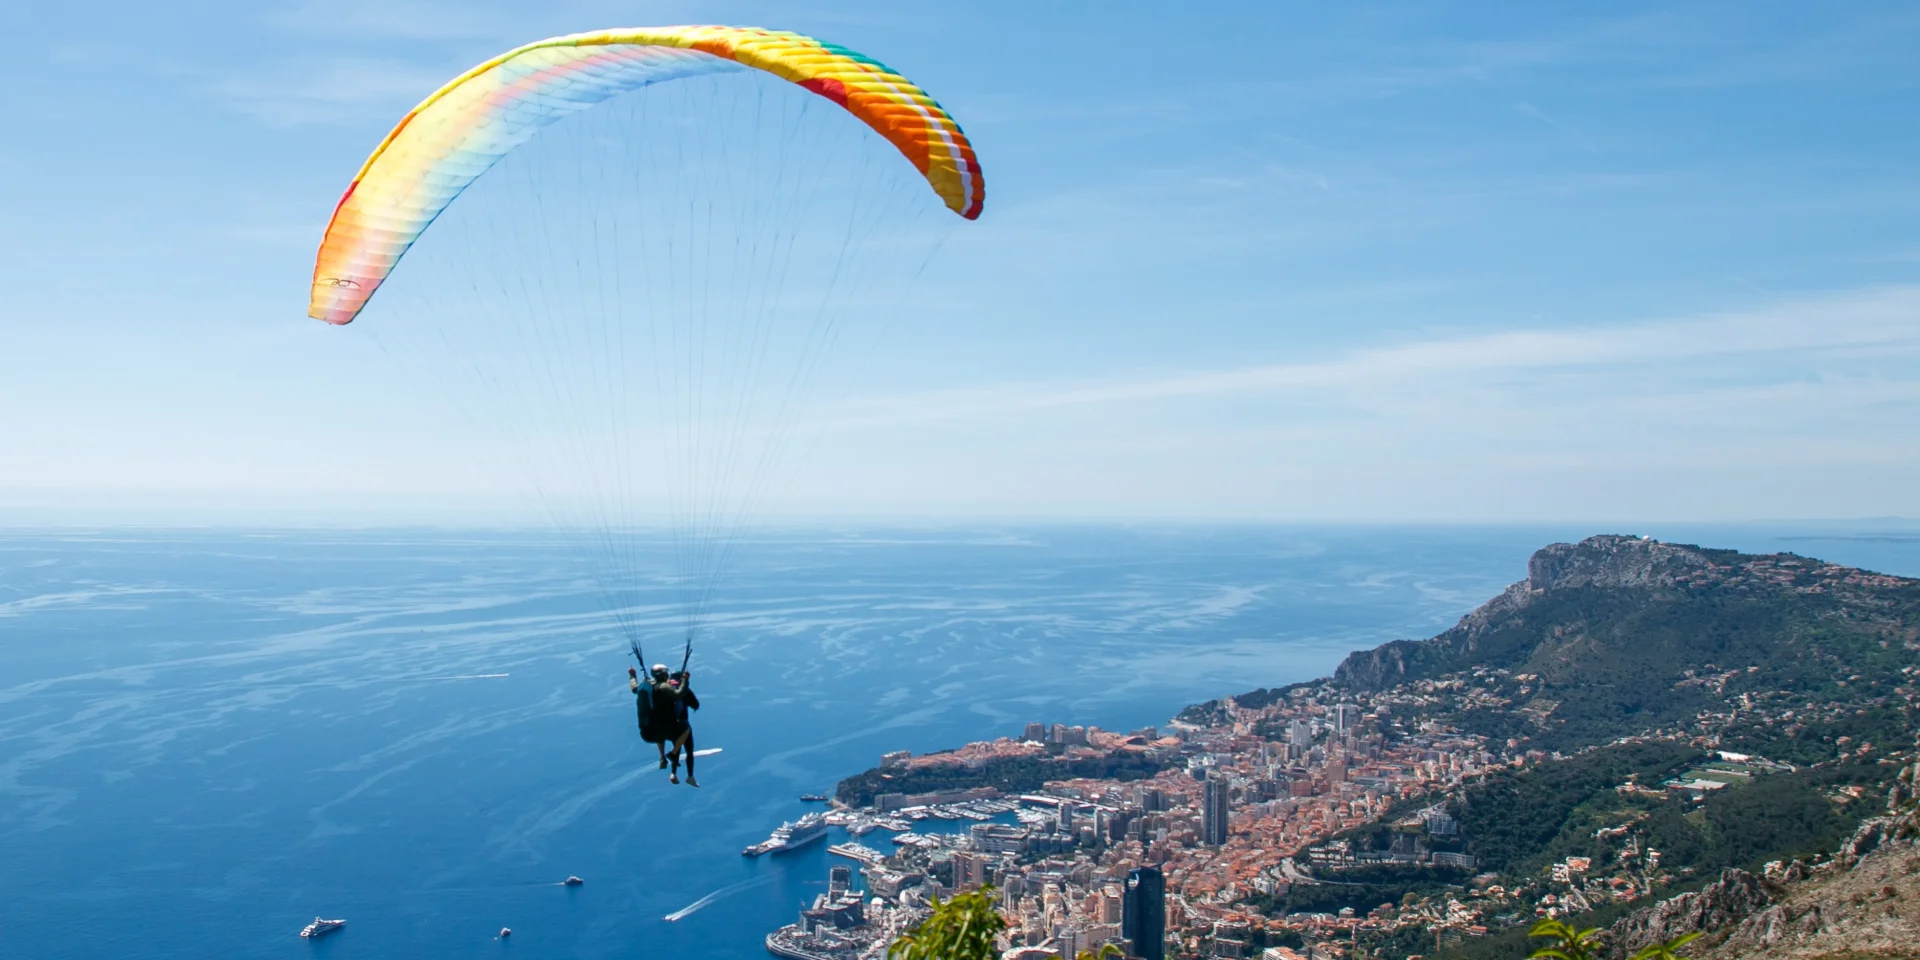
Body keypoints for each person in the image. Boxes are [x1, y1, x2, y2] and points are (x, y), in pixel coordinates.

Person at [629, 663, 700, 786]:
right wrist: (686, 681)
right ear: (664, 675)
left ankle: (664, 760)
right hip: (668, 727)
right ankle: (688, 774)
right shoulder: (664, 687)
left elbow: (634, 688)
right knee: (685, 734)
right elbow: (681, 696)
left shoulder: (648, 685)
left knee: (667, 736)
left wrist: (632, 675)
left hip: (653, 730)